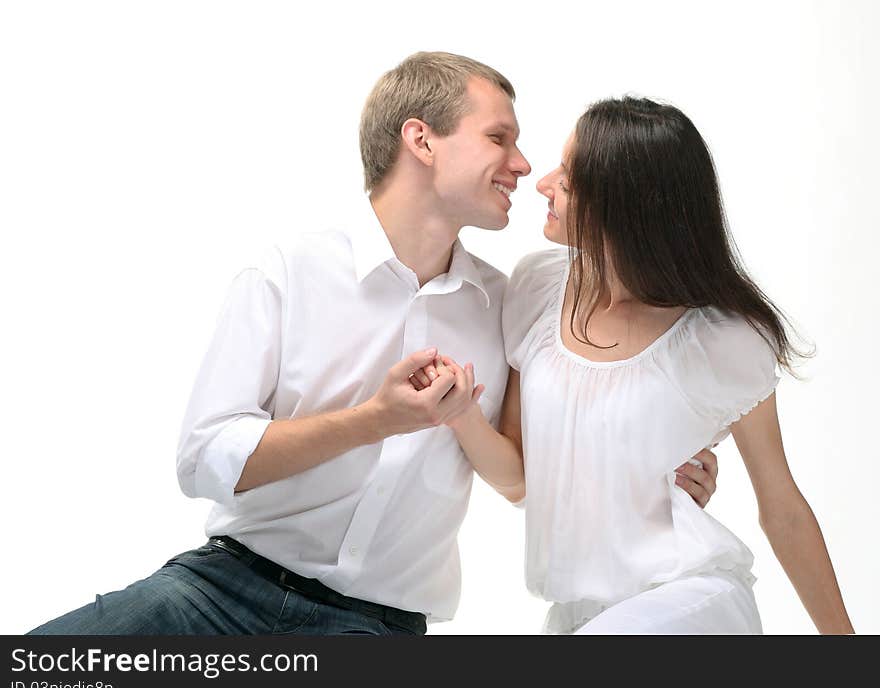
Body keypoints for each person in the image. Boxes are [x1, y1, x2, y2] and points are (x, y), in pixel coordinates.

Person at [27, 55, 717, 636]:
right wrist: (373, 420)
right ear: (422, 140)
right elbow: (202, 459)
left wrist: (660, 465)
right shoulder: (289, 272)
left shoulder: (508, 303)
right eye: (499, 138)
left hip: (376, 628)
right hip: (215, 593)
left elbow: (526, 474)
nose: (522, 163)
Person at [416, 97, 854, 634]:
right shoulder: (534, 287)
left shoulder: (723, 338)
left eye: (569, 178)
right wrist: (460, 414)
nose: (544, 182)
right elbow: (520, 481)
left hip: (684, 601)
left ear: (623, 205)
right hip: (578, 618)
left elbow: (781, 505)